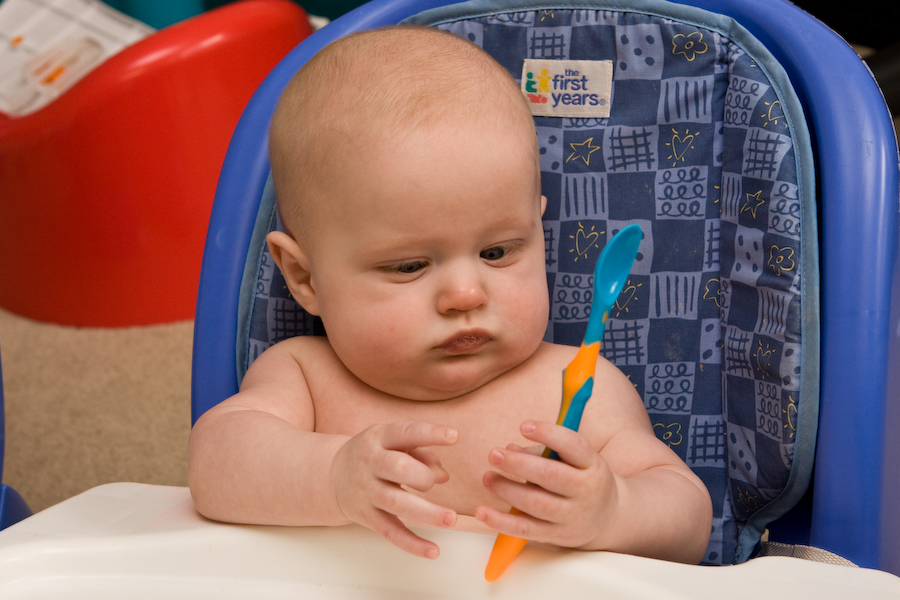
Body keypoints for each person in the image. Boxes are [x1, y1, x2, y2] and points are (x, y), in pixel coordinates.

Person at [188, 25, 712, 564]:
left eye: (498, 252)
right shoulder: (304, 378)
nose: (465, 294)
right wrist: (333, 475)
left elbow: (691, 519)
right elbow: (213, 467)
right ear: (305, 278)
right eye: (410, 265)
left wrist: (614, 510)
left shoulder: (580, 386)